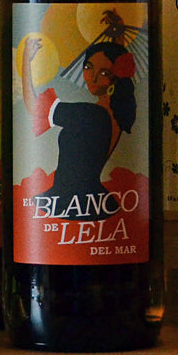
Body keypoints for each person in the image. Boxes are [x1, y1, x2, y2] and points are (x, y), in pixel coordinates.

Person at [20, 36, 137, 220]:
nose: (93, 77)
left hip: (68, 203)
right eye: (88, 67)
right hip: (93, 202)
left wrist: (26, 61)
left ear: (115, 78)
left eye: (104, 73)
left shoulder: (91, 115)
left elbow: (35, 107)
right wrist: (118, 35)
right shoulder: (116, 113)